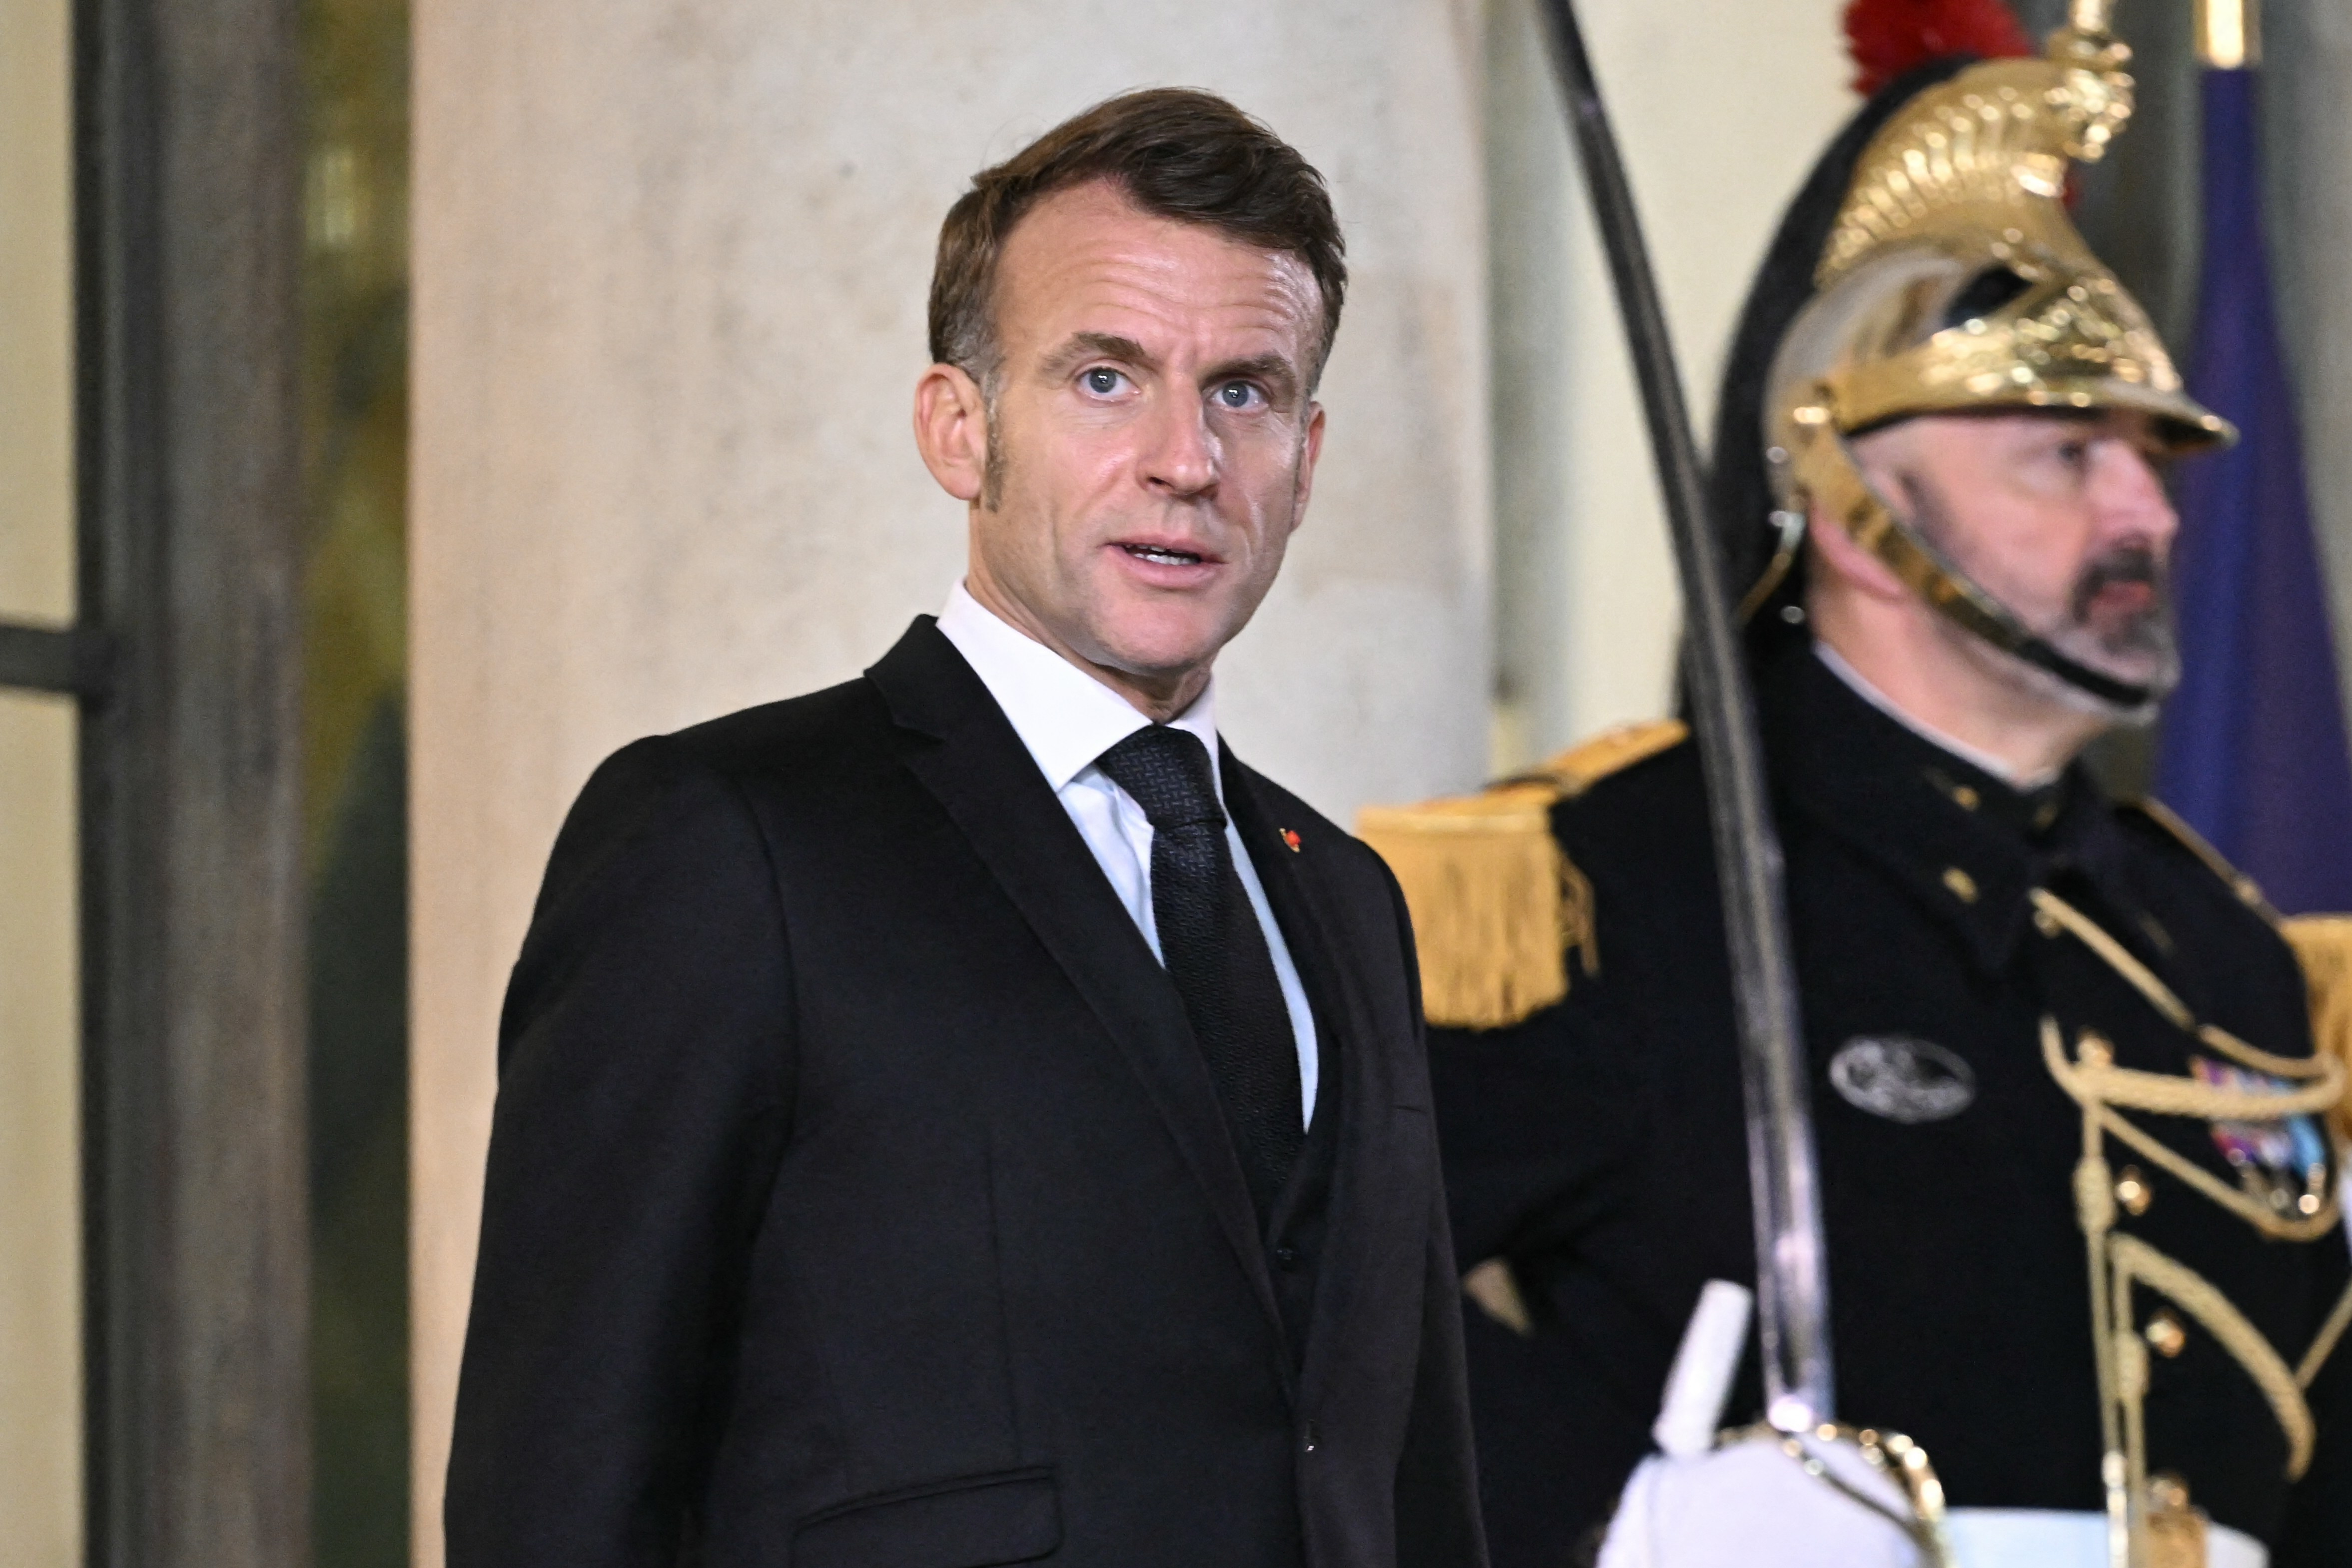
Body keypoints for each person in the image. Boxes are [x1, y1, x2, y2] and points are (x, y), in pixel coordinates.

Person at [1362, 9, 2352, 1567]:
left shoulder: (2211, 942)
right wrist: (1615, 1511)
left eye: (2148, 456)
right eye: (2059, 449)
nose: (2144, 510)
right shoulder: (1622, 883)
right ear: (1846, 507)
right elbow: (1308, 1276)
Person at [444, 88, 1486, 1568]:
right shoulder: (728, 842)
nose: (1185, 459)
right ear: (957, 427)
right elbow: (559, 1488)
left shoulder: (1347, 899)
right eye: (1106, 380)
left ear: (1305, 460)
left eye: (1242, 391)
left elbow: (1412, 1478)